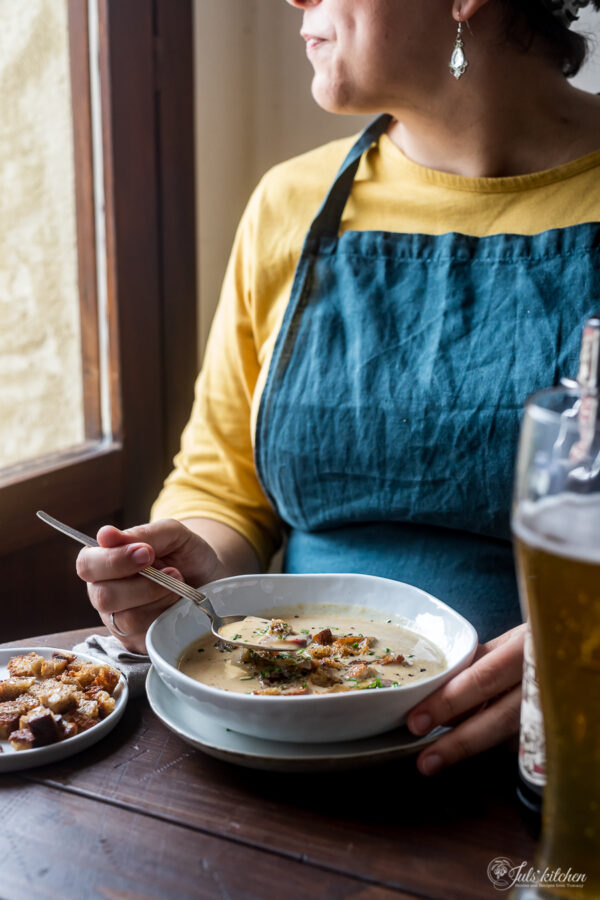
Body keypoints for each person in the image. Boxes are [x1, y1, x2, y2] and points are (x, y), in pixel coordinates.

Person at [76, 0, 600, 776]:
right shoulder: (290, 205)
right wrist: (185, 568)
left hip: (560, 764)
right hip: (275, 751)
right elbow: (226, 489)